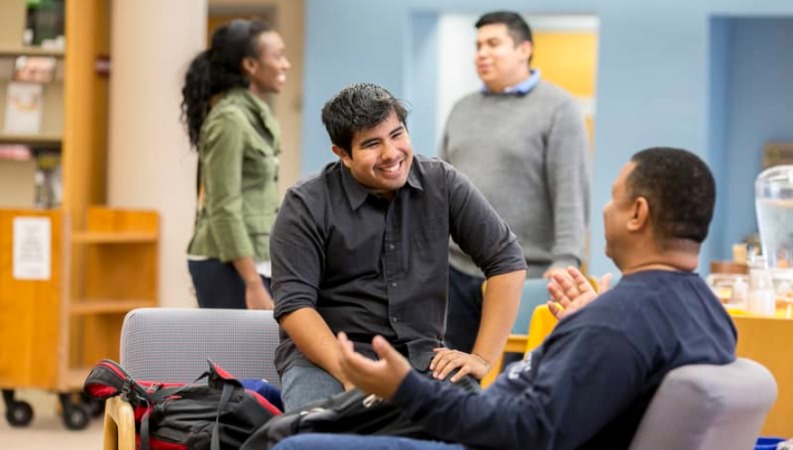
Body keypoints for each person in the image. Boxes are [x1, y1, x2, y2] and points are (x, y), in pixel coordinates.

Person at [272, 147, 737, 450]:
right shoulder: (708, 312)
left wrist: (406, 390)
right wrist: (586, 324)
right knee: (277, 411)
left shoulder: (618, 322)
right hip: (490, 419)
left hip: (489, 437)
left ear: (638, 214)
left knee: (296, 444)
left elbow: (527, 429)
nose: (605, 209)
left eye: (614, 199)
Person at [270, 83, 528, 412]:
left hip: (422, 360)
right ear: (343, 155)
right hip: (328, 362)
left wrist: (482, 357)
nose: (391, 153)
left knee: (484, 430)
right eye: (372, 144)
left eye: (397, 134)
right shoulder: (305, 203)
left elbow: (506, 260)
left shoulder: (442, 182)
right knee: (318, 438)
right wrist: (350, 373)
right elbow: (295, 306)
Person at [441, 11, 590, 353]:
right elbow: (440, 188)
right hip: (456, 270)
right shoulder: (462, 108)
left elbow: (570, 189)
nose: (482, 53)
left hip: (525, 272)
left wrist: (567, 258)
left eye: (494, 44)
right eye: (478, 45)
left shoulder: (558, 107)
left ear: (524, 50)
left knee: (510, 378)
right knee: (453, 377)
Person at [181, 18, 290, 309]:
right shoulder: (229, 119)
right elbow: (223, 206)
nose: (285, 65)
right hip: (228, 263)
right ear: (250, 66)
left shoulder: (254, 116)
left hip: (251, 258)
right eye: (277, 56)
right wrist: (252, 283)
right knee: (231, 355)